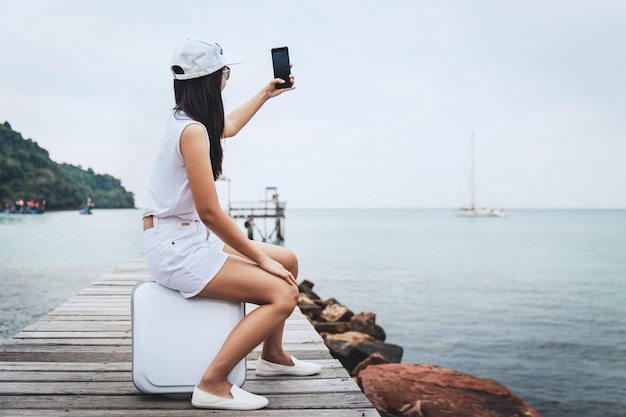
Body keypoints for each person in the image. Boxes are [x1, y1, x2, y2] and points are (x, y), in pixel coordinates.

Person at [142, 37, 320, 411]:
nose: (227, 79)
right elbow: (211, 213)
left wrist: (266, 93)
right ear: (210, 80)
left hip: (186, 238)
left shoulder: (187, 121)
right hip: (178, 249)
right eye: (225, 73)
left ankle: (273, 358)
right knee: (283, 293)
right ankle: (213, 383)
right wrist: (260, 258)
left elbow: (230, 125)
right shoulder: (192, 131)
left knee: (287, 259)